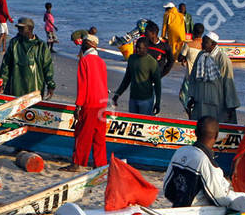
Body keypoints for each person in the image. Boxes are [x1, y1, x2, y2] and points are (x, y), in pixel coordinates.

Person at [162, 117, 245, 211]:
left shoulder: (180, 151)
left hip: (177, 208)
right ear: (217, 136)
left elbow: (167, 189)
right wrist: (240, 196)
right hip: (196, 213)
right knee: (244, 197)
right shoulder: (206, 161)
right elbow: (219, 199)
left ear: (195, 132)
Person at [70, 33, 110, 169]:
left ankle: (78, 163)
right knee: (99, 137)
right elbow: (104, 83)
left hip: (90, 102)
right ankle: (100, 164)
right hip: (102, 103)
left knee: (83, 134)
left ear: (88, 44)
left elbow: (82, 85)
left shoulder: (85, 61)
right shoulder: (101, 62)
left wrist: (78, 106)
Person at [181, 31, 239, 123]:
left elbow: (228, 82)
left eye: (205, 42)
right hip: (200, 99)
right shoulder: (201, 55)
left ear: (213, 44)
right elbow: (193, 78)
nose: (202, 44)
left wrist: (231, 105)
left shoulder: (222, 59)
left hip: (216, 101)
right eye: (202, 42)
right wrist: (191, 96)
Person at [113, 33, 171, 115]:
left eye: (140, 48)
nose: (138, 50)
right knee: (133, 122)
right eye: (137, 47)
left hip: (146, 100)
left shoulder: (152, 62)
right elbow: (126, 79)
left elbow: (158, 84)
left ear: (146, 48)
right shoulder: (132, 59)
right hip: (133, 98)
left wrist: (157, 103)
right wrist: (117, 94)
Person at [0, 17, 55, 98]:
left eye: (22, 28)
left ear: (30, 28)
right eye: (18, 28)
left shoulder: (41, 46)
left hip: (35, 87)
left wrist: (50, 85)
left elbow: (47, 67)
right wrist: (2, 82)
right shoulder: (14, 43)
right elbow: (6, 64)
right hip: (16, 86)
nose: (19, 30)